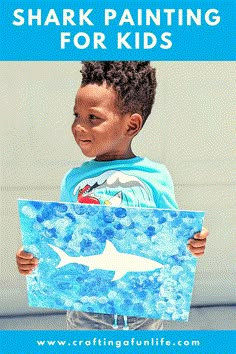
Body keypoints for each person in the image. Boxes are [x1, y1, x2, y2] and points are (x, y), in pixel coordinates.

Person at [16, 61, 209, 330]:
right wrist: (32, 258)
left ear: (131, 125)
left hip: (144, 316)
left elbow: (172, 241)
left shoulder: (156, 177)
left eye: (92, 118)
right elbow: (62, 238)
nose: (78, 126)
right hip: (86, 314)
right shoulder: (74, 181)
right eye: (76, 115)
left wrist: (194, 242)